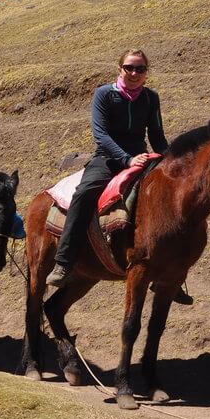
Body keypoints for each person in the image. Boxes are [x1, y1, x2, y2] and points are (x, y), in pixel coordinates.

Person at [46, 49, 168, 287]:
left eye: (140, 69)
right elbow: (101, 135)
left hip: (142, 157)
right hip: (108, 159)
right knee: (83, 194)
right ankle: (64, 261)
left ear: (146, 73)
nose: (134, 73)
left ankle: (170, 273)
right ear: (119, 69)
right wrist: (126, 159)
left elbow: (157, 136)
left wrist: (171, 158)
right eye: (129, 68)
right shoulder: (104, 94)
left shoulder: (151, 98)